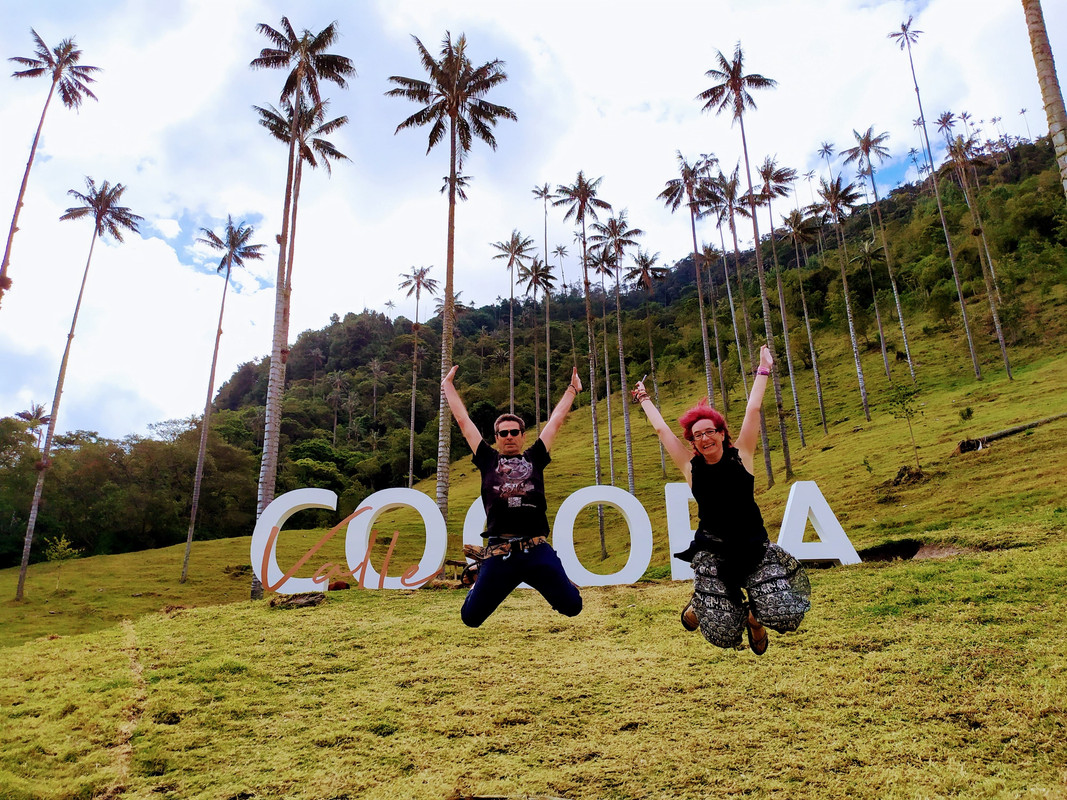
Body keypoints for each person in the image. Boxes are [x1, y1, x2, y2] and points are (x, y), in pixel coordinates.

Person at [631, 344, 810, 655]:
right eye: (697, 435)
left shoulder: (742, 456)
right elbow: (662, 430)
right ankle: (701, 603)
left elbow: (753, 409)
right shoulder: (690, 466)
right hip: (713, 551)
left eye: (710, 432)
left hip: (754, 547)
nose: (704, 438)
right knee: (723, 632)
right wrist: (644, 398)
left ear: (722, 434)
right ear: (693, 442)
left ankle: (754, 620)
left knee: (786, 612)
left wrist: (764, 368)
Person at [442, 364, 585, 627]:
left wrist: (572, 390)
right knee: (470, 618)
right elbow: (464, 423)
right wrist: (447, 387)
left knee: (573, 607)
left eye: (514, 432)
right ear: (496, 438)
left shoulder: (535, 457)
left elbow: (555, 422)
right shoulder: (487, 459)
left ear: (523, 435)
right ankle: (480, 572)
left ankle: (559, 579)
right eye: (503, 433)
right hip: (499, 553)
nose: (509, 436)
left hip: (536, 550)